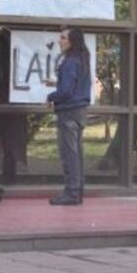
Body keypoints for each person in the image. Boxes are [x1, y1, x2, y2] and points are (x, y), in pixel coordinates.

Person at [45, 27, 91, 206]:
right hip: (80, 110)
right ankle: (77, 191)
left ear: (72, 41)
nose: (60, 41)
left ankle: (71, 193)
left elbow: (65, 91)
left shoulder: (70, 62)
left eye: (63, 38)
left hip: (69, 112)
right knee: (76, 153)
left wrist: (51, 97)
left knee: (68, 153)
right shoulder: (82, 59)